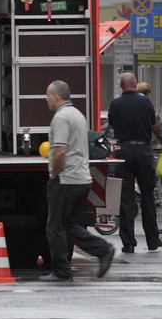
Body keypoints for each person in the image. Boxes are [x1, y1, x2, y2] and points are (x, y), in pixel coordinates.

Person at [41, 80, 115, 282]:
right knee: (69, 225)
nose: (46, 99)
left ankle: (62, 271)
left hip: (66, 180)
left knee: (55, 227)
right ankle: (103, 250)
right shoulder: (77, 115)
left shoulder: (61, 117)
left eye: (48, 95)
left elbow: (60, 151)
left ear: (56, 96)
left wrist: (54, 175)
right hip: (82, 179)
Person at [108, 74, 162, 253]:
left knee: (125, 199)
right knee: (148, 196)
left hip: (123, 152)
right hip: (144, 152)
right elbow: (153, 125)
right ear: (135, 85)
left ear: (121, 86)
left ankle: (128, 243)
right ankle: (152, 240)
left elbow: (112, 124)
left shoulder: (115, 105)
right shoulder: (146, 103)